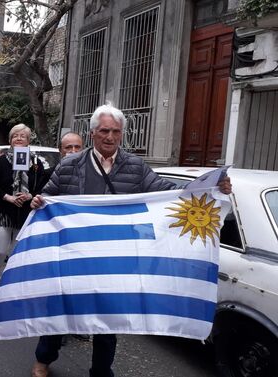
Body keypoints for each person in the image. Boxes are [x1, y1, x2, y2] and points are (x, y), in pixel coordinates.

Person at [28, 103, 232, 377]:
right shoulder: (70, 165)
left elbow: (170, 194)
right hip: (75, 256)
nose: (109, 137)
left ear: (122, 134)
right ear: (92, 134)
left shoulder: (135, 167)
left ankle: (101, 371)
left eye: (115, 131)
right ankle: (44, 359)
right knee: (62, 309)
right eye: (103, 131)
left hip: (115, 260)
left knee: (109, 321)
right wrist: (38, 200)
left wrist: (210, 188)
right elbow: (48, 196)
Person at [0, 124, 47, 296]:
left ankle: (10, 285)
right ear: (10, 140)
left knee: (18, 253)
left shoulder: (36, 162)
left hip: (25, 213)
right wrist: (8, 197)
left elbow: (43, 186)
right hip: (4, 211)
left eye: (23, 136)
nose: (19, 138)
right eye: (15, 136)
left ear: (28, 141)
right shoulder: (2, 161)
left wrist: (30, 195)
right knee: (0, 250)